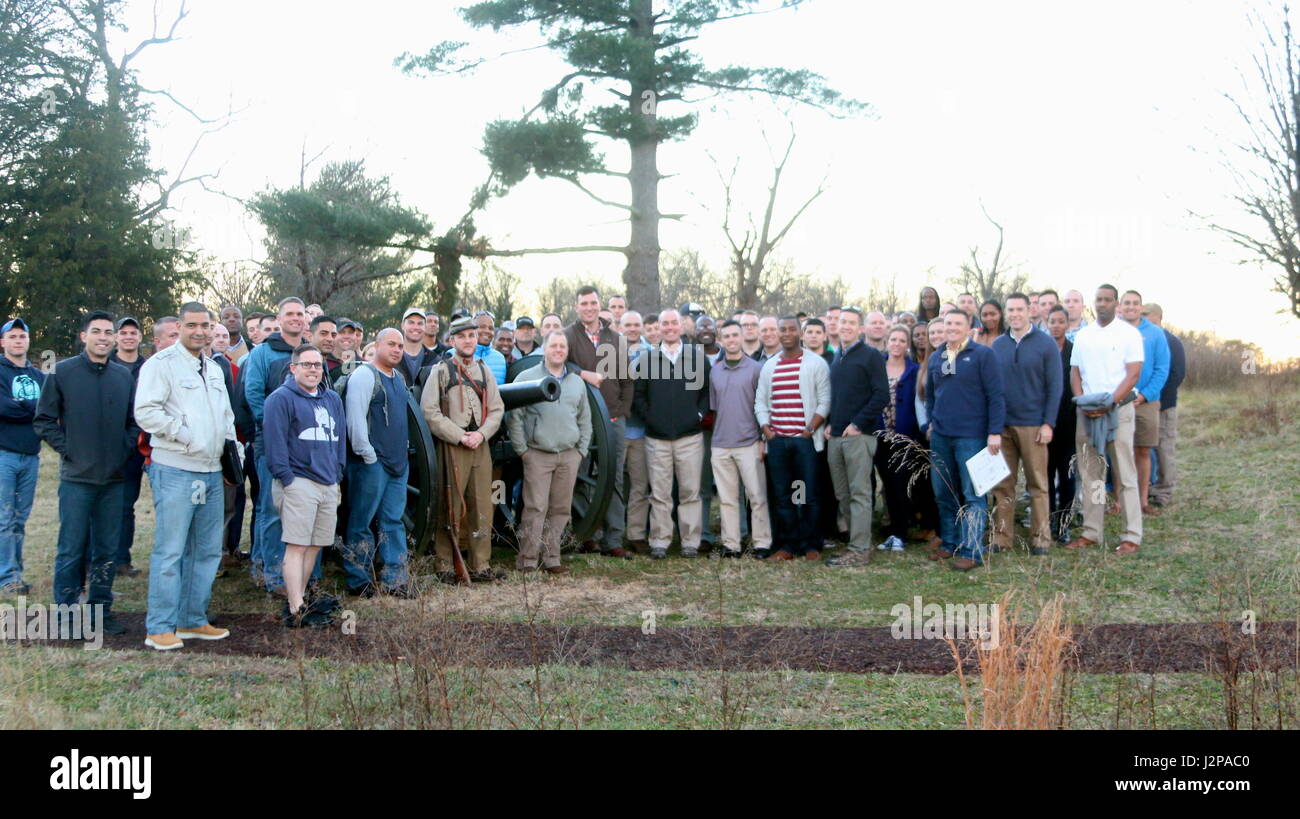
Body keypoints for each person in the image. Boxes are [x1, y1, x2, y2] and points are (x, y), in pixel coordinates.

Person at [133, 303, 235, 650]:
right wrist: (185, 434)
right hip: (176, 468)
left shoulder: (215, 368)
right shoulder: (160, 365)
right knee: (171, 550)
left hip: (211, 470)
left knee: (206, 551)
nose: (200, 332)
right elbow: (146, 411)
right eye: (192, 325)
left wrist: (232, 447)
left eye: (205, 325)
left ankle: (192, 620)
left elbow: (225, 414)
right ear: (180, 326)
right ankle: (159, 626)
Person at [33, 311, 135, 634]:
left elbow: (134, 422)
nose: (104, 337)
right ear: (84, 336)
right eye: (97, 332)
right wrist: (69, 449)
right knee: (71, 547)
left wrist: (124, 448)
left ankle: (100, 612)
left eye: (109, 332)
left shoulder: (123, 376)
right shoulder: (62, 372)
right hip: (77, 479)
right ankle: (64, 615)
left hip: (113, 479)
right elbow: (44, 420)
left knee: (106, 548)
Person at [264, 344, 346, 626]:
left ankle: (300, 600)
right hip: (298, 480)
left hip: (328, 481)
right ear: (294, 368)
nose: (313, 370)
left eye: (317, 365)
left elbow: (340, 440)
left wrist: (338, 472)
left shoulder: (331, 399)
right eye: (307, 365)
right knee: (297, 545)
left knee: (314, 545)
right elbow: (274, 446)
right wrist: (287, 479)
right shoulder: (281, 399)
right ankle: (296, 607)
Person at [421, 316, 507, 583]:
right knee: (451, 507)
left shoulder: (484, 371)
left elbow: (496, 409)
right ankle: (445, 565)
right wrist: (459, 436)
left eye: (472, 336)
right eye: (462, 337)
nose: (468, 341)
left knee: (483, 506)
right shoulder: (441, 371)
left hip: (480, 446)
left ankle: (481, 564)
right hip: (452, 446)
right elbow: (430, 412)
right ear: (452, 341)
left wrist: (481, 435)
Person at [924, 309, 1006, 571]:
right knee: (944, 491)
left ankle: (972, 550)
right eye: (948, 323)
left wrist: (995, 431)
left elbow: (996, 395)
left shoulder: (983, 355)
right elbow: (932, 396)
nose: (952, 328)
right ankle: (950, 542)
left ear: (969, 327)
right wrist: (931, 423)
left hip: (971, 436)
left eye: (958, 323)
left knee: (973, 494)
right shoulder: (937, 356)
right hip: (941, 437)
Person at [1066, 284, 1144, 555]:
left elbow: (1133, 374)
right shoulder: (1083, 335)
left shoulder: (1129, 334)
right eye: (1098, 299)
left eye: (1108, 300)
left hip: (1117, 410)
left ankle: (1131, 534)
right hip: (1087, 412)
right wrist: (1081, 401)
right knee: (1091, 475)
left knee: (1125, 474)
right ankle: (1092, 531)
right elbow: (1075, 373)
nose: (1102, 304)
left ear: (1116, 303)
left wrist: (1109, 403)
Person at [507, 330, 591, 574]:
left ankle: (552, 557)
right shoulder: (527, 377)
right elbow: (515, 417)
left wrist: (581, 450)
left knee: (561, 508)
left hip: (568, 454)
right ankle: (528, 559)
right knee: (535, 508)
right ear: (544, 349)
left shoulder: (576, 382)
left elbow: (585, 417)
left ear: (567, 351)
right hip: (538, 454)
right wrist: (523, 450)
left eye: (562, 346)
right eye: (553, 345)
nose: (558, 350)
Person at [838, 326, 925, 560]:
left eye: (901, 340)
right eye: (893, 339)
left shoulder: (915, 370)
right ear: (887, 342)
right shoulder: (876, 365)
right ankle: (868, 530)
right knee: (870, 483)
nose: (897, 344)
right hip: (874, 434)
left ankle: (899, 532)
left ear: (908, 345)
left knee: (898, 487)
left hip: (903, 437)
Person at [241, 296, 308, 594]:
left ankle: (299, 572)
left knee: (299, 511)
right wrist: (276, 429)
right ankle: (272, 575)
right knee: (271, 509)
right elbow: (254, 395)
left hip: (306, 448)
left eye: (300, 314)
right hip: (271, 444)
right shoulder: (263, 354)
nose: (295, 318)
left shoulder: (310, 352)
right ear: (279, 320)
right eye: (290, 314)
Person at [341, 328, 413, 598]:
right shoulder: (363, 375)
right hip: (371, 464)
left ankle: (396, 579)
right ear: (378, 345)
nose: (396, 350)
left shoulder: (399, 378)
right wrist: (368, 455)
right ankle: (358, 579)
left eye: (401, 346)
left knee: (393, 521)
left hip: (397, 464)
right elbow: (355, 421)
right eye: (391, 344)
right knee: (361, 521)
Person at [633, 309, 711, 559]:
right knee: (660, 493)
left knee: (690, 492)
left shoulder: (696, 358)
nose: (669, 327)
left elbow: (707, 393)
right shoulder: (647, 359)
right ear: (660, 327)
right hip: (657, 439)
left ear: (681, 326)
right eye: (664, 323)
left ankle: (690, 541)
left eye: (673, 323)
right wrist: (652, 418)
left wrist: (697, 416)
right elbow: (638, 395)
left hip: (689, 437)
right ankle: (660, 541)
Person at [989, 294, 1061, 556]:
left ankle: (1041, 538)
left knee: (1038, 484)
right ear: (1006, 313)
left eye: (1020, 309)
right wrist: (993, 427)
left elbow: (1055, 387)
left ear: (1029, 311)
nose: (1015, 314)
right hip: (1003, 426)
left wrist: (1048, 423)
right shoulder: (997, 345)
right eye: (1011, 310)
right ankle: (1002, 537)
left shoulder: (1046, 344)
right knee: (1003, 485)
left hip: (1033, 425)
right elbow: (992, 388)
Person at [566, 286, 634, 559]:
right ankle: (586, 535)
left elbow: (628, 381)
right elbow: (558, 364)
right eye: (584, 303)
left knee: (614, 478)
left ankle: (613, 539)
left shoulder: (616, 338)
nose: (589, 307)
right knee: (579, 476)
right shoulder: (568, 336)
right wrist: (583, 373)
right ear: (576, 306)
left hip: (613, 418)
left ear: (598, 305)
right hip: (580, 420)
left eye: (593, 303)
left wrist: (622, 410)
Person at [755, 316, 830, 560]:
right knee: (783, 495)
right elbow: (760, 401)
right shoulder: (770, 365)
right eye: (782, 329)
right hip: (778, 441)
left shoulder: (815, 363)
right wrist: (766, 429)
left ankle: (810, 545)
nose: (786, 333)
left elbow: (824, 400)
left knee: (807, 493)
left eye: (791, 329)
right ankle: (788, 545)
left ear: (800, 332)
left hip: (804, 441)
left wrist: (810, 429)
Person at [822, 309, 888, 563]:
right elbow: (837, 397)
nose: (846, 326)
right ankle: (854, 543)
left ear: (861, 328)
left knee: (860, 492)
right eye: (842, 322)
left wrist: (859, 423)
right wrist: (829, 423)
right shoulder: (837, 357)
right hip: (836, 436)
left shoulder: (870, 356)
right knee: (843, 494)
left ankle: (861, 549)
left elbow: (881, 394)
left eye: (851, 323)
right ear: (836, 326)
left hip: (859, 436)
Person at [707, 320, 770, 558]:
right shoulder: (715, 370)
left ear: (743, 337)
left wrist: (763, 438)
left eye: (736, 335)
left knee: (756, 497)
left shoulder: (755, 369)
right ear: (721, 340)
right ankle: (731, 544)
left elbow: (763, 406)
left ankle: (762, 543)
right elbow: (714, 408)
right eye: (727, 336)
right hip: (721, 443)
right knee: (727, 499)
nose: (732, 340)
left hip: (750, 442)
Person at [0, 318, 44, 596]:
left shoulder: (40, 377)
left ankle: (15, 569)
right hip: (4, 454)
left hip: (32, 455)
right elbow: (4, 408)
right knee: (4, 518)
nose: (18, 341)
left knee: (19, 518)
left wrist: (23, 406)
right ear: (3, 342)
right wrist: (33, 408)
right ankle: (7, 577)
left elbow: (50, 410)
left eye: (22, 336)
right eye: (12, 336)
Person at [1120, 290, 1169, 515]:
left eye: (1135, 303)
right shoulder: (1113, 331)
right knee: (1120, 451)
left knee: (1143, 451)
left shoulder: (1156, 333)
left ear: (1141, 307)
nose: (1131, 307)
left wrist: (1145, 395)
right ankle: (1120, 501)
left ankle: (1141, 501)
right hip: (1119, 400)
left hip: (1147, 402)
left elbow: (1162, 369)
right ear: (1120, 306)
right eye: (1126, 303)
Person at [107, 316, 148, 577]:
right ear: (116, 337)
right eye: (124, 333)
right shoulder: (106, 364)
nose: (128, 337)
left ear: (140, 337)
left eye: (133, 333)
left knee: (126, 505)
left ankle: (122, 559)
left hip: (135, 447)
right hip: (106, 445)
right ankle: (95, 560)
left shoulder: (148, 366)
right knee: (100, 504)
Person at [1142, 303, 1184, 509]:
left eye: (1145, 314)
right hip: (1146, 404)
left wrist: (1158, 400)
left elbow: (1177, 374)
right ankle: (1149, 487)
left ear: (1157, 316)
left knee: (1164, 448)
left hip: (1164, 406)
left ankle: (1164, 492)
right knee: (1147, 448)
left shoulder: (1171, 341)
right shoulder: (1144, 338)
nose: (1141, 318)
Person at [1044, 305, 1077, 543]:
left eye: (1060, 321)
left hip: (1069, 422)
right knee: (1044, 475)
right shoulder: (1041, 350)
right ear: (1046, 323)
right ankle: (1045, 522)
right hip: (1045, 423)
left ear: (1067, 324)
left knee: (1067, 476)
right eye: (1052, 321)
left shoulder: (1075, 351)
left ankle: (1063, 523)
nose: (1056, 325)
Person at [621, 311, 652, 553]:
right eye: (628, 325)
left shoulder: (652, 354)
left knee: (640, 485)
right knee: (612, 483)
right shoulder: (610, 352)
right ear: (621, 327)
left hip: (641, 431)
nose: (632, 329)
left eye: (636, 325)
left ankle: (636, 533)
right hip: (617, 428)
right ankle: (607, 533)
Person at [398, 307, 437, 385]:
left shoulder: (435, 360)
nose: (415, 327)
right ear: (402, 325)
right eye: (411, 322)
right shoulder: (392, 357)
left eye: (420, 323)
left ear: (425, 327)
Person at [473, 311, 509, 385]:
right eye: (482, 327)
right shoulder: (454, 354)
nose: (487, 331)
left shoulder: (500, 358)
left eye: (491, 328)